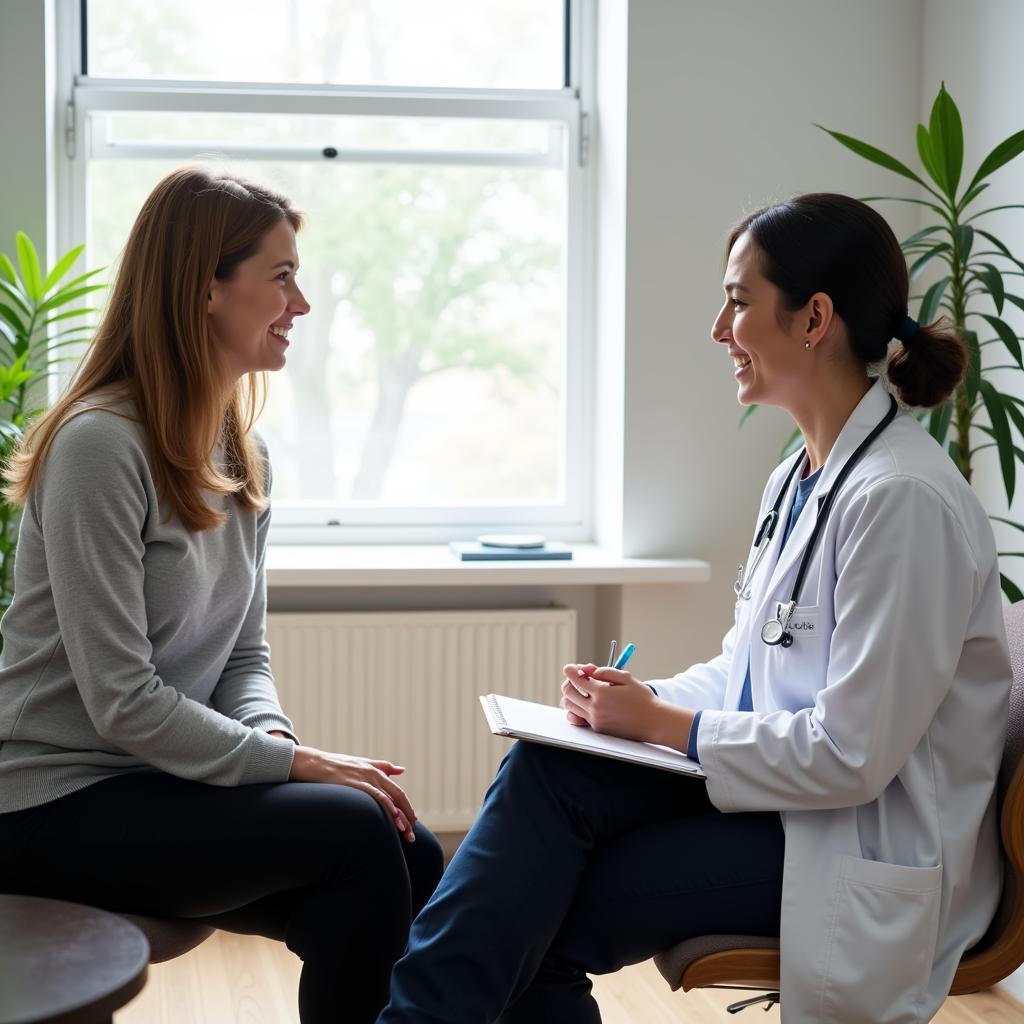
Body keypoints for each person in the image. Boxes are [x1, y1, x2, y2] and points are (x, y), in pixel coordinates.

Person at [376, 193, 1011, 1024]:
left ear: (814, 317)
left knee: (532, 911)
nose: (719, 328)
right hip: (784, 806)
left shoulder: (902, 502)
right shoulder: (801, 478)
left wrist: (663, 726)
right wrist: (636, 706)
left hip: (848, 841)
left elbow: (852, 754)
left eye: (739, 301)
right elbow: (748, 669)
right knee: (547, 768)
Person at [0, 167, 443, 1024]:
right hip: (49, 802)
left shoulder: (246, 454)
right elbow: (122, 701)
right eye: (281, 277)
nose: (302, 304)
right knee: (357, 836)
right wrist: (300, 765)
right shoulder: (98, 446)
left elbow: (244, 653)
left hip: (159, 786)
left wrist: (273, 735)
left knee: (404, 847)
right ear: (207, 288)